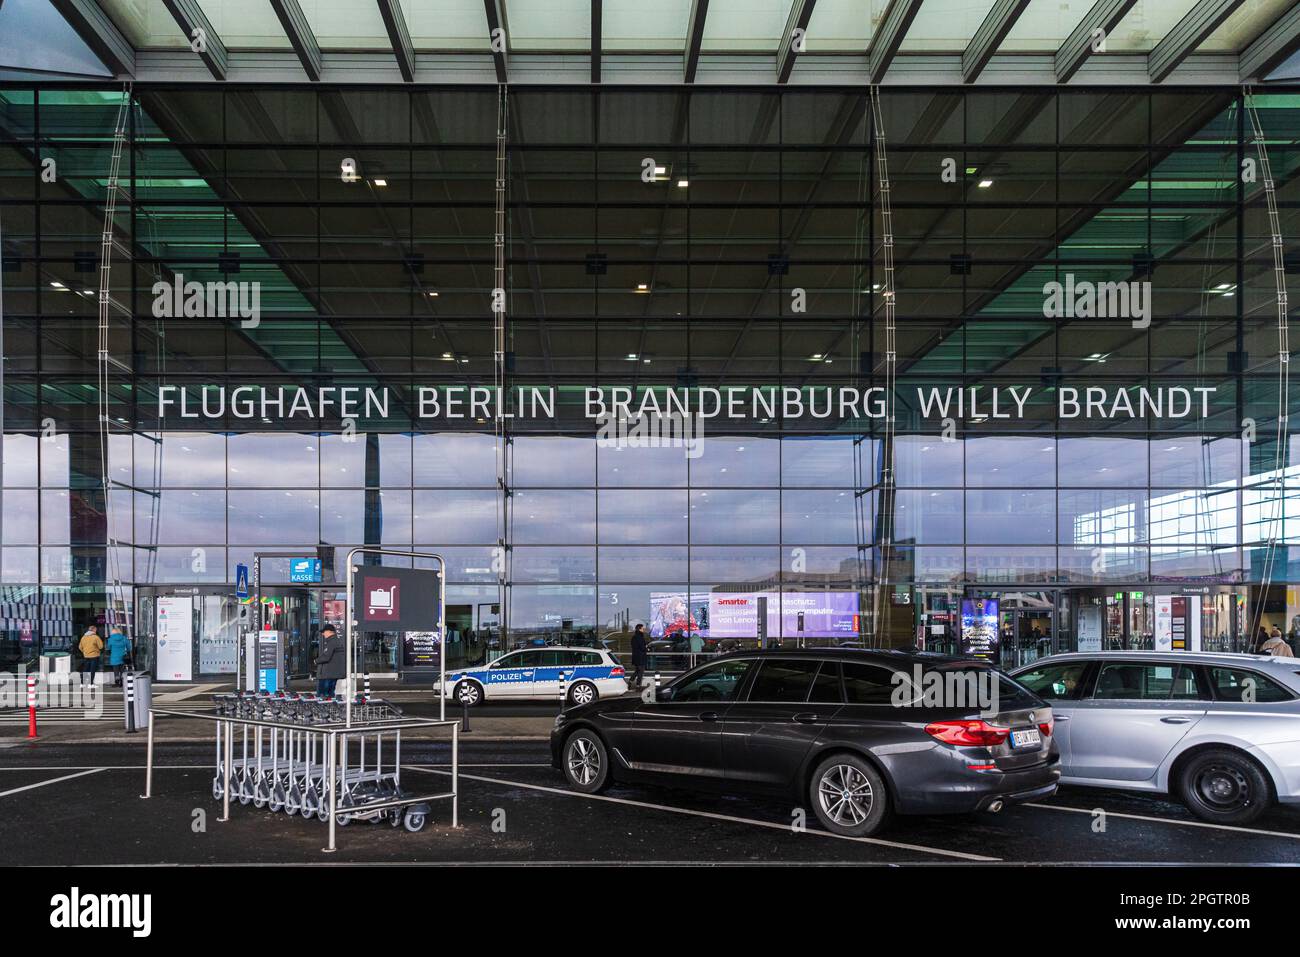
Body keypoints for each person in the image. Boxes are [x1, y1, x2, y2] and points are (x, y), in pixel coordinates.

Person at [315, 624, 346, 697]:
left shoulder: (332, 642)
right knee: (330, 695)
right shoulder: (336, 641)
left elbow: (326, 657)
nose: (323, 634)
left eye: (324, 632)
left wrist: (316, 661)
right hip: (332, 674)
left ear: (329, 631)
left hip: (327, 674)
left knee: (323, 696)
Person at [630, 623, 648, 689]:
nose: (643, 630)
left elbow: (635, 646)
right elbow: (642, 647)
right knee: (640, 672)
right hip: (640, 657)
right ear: (639, 629)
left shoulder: (634, 637)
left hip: (636, 657)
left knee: (637, 671)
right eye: (642, 628)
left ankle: (630, 681)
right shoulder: (640, 637)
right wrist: (646, 647)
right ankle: (638, 685)